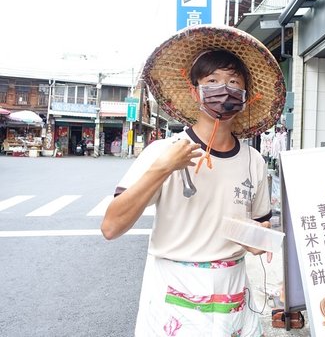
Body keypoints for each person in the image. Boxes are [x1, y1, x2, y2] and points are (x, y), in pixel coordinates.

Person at [101, 25, 285, 337]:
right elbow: (111, 227)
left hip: (233, 291)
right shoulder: (163, 152)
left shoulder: (253, 161)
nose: (222, 90)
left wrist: (257, 240)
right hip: (174, 289)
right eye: (211, 82)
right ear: (194, 91)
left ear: (245, 96)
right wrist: (163, 168)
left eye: (233, 83)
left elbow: (261, 227)